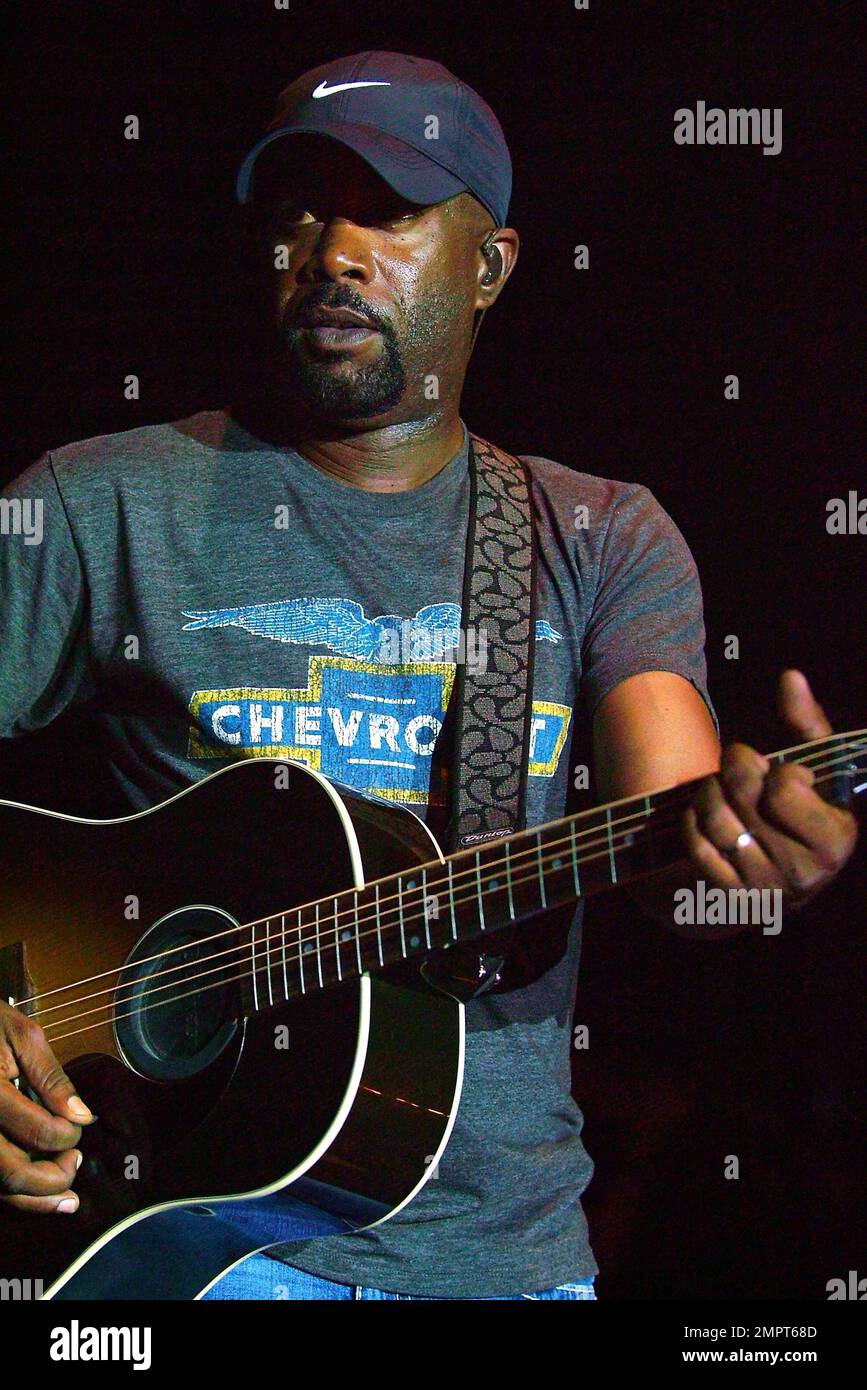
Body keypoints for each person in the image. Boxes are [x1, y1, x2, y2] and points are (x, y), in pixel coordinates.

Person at [0, 51, 857, 1301]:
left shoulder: (598, 532)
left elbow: (675, 824)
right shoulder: (102, 501)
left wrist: (764, 854)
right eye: (296, 209)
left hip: (497, 1265)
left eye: (385, 210)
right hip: (159, 1254)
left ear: (492, 266)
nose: (330, 250)